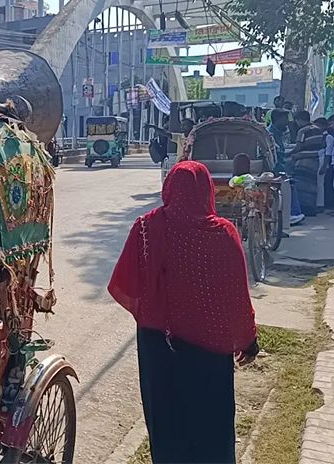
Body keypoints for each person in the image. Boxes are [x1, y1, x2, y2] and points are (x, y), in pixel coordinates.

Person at [108, 161, 259, 464]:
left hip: (158, 348)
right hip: (209, 352)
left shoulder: (147, 228)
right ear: (206, 191)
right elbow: (237, 297)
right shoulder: (223, 234)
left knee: (167, 424)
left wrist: (162, 304)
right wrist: (247, 341)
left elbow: (127, 284)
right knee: (211, 429)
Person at [289, 111, 325, 218]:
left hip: (303, 160)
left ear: (299, 120)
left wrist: (290, 153)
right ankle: (311, 208)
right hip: (315, 160)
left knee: (301, 185)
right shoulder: (318, 130)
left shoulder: (302, 131)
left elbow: (298, 147)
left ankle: (303, 208)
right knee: (312, 185)